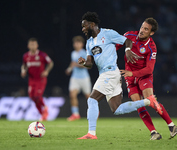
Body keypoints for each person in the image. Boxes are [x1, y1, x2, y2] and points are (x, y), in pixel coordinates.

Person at [77, 12, 162, 140]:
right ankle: (148, 101)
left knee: (92, 99)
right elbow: (90, 64)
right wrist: (84, 63)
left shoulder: (108, 33)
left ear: (92, 24)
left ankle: (91, 133)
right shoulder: (89, 43)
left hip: (110, 72)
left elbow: (127, 41)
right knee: (117, 109)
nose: (83, 29)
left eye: (85, 26)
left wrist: (127, 50)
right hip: (108, 74)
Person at [117, 18, 177, 140]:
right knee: (138, 104)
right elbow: (115, 46)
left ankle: (171, 126)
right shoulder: (129, 35)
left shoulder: (151, 47)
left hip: (143, 76)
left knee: (150, 99)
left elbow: (149, 70)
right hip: (130, 77)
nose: (142, 31)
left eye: (146, 29)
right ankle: (154, 132)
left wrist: (132, 73)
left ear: (151, 33)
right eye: (142, 27)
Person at [21, 38, 54, 121]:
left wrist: (46, 71)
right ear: (28, 46)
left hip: (41, 79)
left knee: (37, 96)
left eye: (34, 44)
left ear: (37, 45)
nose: (33, 46)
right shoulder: (26, 56)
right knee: (32, 97)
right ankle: (42, 114)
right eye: (31, 44)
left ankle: (45, 108)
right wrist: (23, 71)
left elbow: (50, 63)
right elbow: (24, 65)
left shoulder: (42, 55)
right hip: (31, 80)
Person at [65, 36, 91, 121]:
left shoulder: (84, 53)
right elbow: (72, 63)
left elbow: (87, 66)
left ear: (82, 44)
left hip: (84, 78)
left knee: (88, 97)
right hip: (75, 78)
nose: (76, 44)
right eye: (75, 43)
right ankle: (75, 114)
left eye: (78, 43)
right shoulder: (73, 53)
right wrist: (69, 69)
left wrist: (77, 65)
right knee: (72, 95)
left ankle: (94, 112)